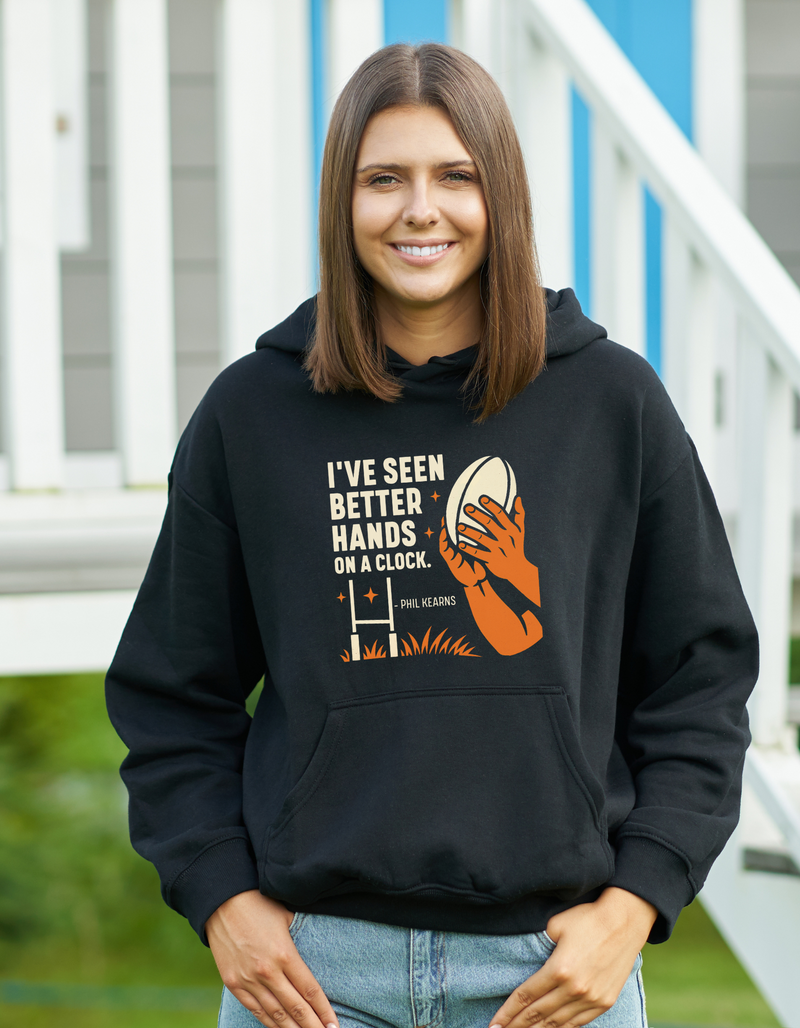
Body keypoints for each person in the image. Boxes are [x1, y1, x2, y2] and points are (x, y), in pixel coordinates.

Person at [105, 42, 758, 1028]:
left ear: (499, 196)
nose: (420, 210)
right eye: (383, 179)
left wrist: (632, 904)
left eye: (455, 175)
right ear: (342, 201)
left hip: (551, 970)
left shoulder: (607, 401)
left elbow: (698, 678)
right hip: (314, 978)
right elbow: (170, 692)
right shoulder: (253, 415)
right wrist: (221, 896)